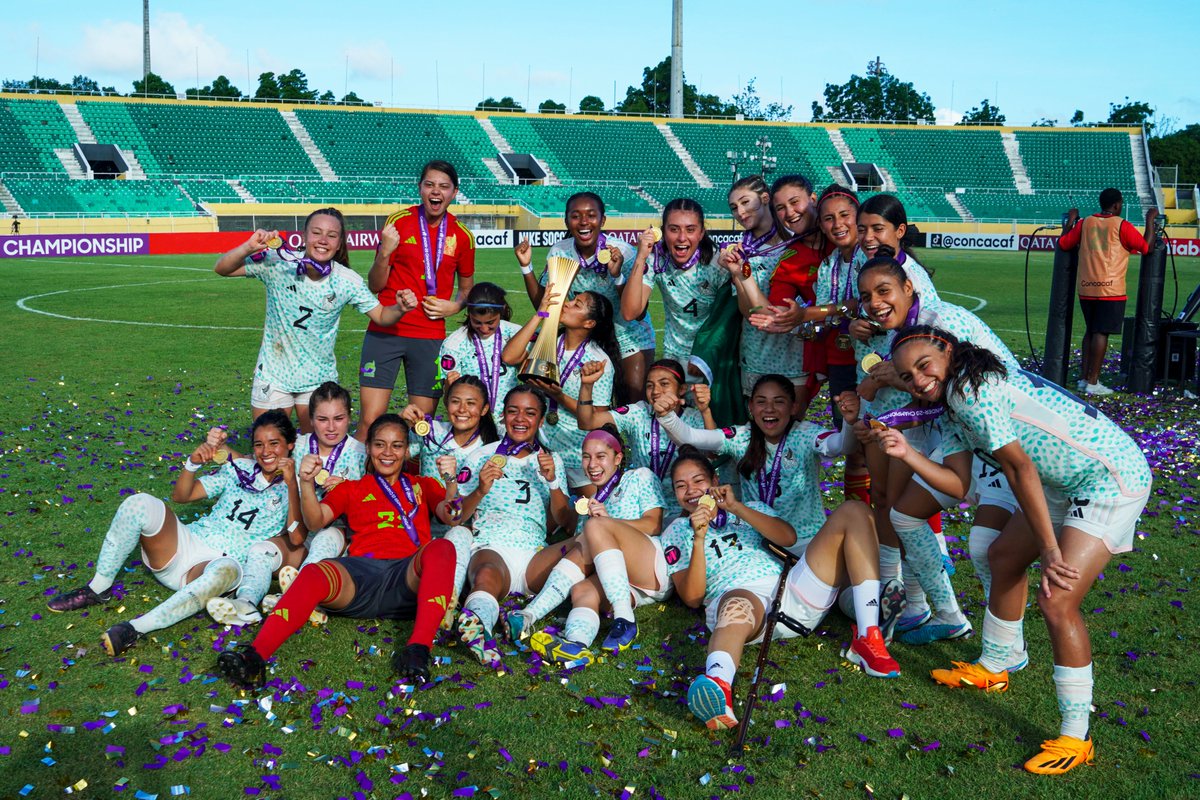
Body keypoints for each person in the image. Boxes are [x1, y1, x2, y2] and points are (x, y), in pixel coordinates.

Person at [883, 325, 1152, 775]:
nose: (918, 380)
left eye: (924, 365)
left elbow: (1019, 465)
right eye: (908, 377)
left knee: (1057, 599)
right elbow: (958, 483)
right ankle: (998, 661)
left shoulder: (970, 391)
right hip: (1065, 479)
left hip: (1108, 476)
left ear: (947, 350)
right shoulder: (950, 400)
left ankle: (1075, 733)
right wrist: (907, 454)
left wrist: (1049, 548)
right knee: (1003, 557)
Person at [852, 251, 1025, 649]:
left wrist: (890, 387)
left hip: (1001, 434)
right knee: (904, 514)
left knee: (986, 547)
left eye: (883, 291)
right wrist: (892, 417)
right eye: (866, 297)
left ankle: (1004, 647)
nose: (875, 303)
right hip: (961, 432)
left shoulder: (942, 323)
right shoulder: (908, 329)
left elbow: (970, 388)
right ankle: (943, 614)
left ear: (908, 288)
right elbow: (937, 396)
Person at [662, 447, 902, 732]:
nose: (690, 490)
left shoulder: (753, 507)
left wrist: (737, 508)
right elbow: (691, 598)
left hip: (794, 590)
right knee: (737, 602)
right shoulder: (676, 531)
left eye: (698, 480)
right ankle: (719, 684)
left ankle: (868, 637)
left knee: (855, 510)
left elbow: (787, 537)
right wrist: (699, 538)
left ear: (715, 480)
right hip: (742, 605)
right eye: (680, 485)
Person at [216, 413, 460, 687]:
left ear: (406, 450)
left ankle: (417, 650)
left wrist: (450, 481)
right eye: (380, 444)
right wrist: (306, 483)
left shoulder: (423, 485)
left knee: (442, 547)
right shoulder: (350, 489)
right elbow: (315, 520)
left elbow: (452, 516)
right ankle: (254, 658)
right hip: (360, 578)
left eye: (397, 445)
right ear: (368, 447)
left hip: (407, 576)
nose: (388, 453)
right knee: (313, 573)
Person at [47, 411, 301, 656]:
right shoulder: (240, 468)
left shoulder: (297, 486)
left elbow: (297, 534)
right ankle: (97, 588)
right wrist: (192, 464)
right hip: (184, 545)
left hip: (211, 567)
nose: (266, 451)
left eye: (274, 444)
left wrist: (291, 484)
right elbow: (182, 496)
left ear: (290, 445)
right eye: (259, 444)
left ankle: (136, 628)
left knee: (227, 569)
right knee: (140, 503)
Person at [214, 209, 411, 433]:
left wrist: (400, 308)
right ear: (304, 236)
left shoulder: (347, 281)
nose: (323, 240)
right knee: (270, 447)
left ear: (339, 244)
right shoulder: (278, 263)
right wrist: (248, 247)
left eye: (331, 235)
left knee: (315, 454)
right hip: (273, 376)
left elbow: (382, 316)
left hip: (318, 379)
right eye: (316, 233)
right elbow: (222, 268)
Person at [208, 382, 368, 626]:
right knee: (261, 550)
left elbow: (374, 499)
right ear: (311, 419)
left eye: (339, 418)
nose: (332, 427)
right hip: (298, 530)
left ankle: (297, 599)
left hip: (337, 534)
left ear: (349, 417)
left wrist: (350, 489)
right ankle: (247, 603)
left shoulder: (360, 453)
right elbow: (255, 462)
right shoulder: (300, 445)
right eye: (323, 419)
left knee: (324, 541)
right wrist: (220, 450)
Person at [506, 426, 667, 661]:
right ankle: (576, 643)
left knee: (594, 529)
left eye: (601, 456)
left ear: (618, 458)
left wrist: (608, 524)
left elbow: (654, 525)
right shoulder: (592, 500)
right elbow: (579, 544)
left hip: (651, 567)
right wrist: (553, 483)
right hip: (621, 582)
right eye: (586, 456)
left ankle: (623, 620)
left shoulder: (639, 476)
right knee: (581, 590)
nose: (592, 464)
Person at [653, 374, 859, 557]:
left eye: (779, 402)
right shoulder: (741, 436)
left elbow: (841, 446)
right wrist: (667, 416)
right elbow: (692, 437)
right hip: (756, 542)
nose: (769, 409)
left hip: (806, 543)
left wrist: (849, 422)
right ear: (751, 407)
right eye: (761, 402)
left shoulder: (805, 434)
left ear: (793, 407)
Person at [441, 385, 572, 665]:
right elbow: (455, 515)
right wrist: (480, 489)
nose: (520, 419)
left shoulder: (551, 460)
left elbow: (566, 521)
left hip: (535, 554)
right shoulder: (481, 457)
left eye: (530, 412)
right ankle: (479, 626)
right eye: (513, 411)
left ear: (539, 419)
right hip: (493, 547)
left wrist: (553, 482)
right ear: (503, 416)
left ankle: (527, 615)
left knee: (585, 541)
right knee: (487, 574)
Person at [360, 161, 476, 438]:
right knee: (370, 421)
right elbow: (375, 285)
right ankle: (359, 481)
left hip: (430, 336)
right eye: (429, 184)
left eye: (444, 186)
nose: (436, 191)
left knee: (420, 425)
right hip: (386, 330)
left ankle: (413, 481)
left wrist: (456, 305)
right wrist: (385, 253)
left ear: (454, 192)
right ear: (420, 188)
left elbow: (467, 289)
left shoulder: (463, 236)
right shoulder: (397, 222)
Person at [515, 192, 654, 403]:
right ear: (566, 221)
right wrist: (526, 267)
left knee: (633, 403)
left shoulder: (624, 251)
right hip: (586, 336)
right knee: (586, 403)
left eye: (591, 215)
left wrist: (617, 276)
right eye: (576, 215)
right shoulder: (560, 251)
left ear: (603, 220)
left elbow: (637, 312)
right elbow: (545, 307)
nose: (584, 222)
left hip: (628, 335)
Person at [502, 288, 619, 489]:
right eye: (571, 299)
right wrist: (540, 314)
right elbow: (509, 357)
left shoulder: (599, 361)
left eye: (577, 305)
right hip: (540, 446)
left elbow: (596, 418)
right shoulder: (547, 342)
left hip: (575, 451)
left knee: (584, 513)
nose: (567, 304)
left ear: (589, 323)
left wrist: (558, 396)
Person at [576, 357, 716, 518]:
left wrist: (706, 411)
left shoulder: (694, 417)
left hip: (686, 505)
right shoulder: (639, 412)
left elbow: (713, 453)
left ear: (682, 389)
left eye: (664, 384)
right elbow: (587, 422)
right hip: (642, 506)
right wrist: (587, 385)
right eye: (650, 386)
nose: (656, 391)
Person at [1059, 189, 1158, 396]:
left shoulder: (1085, 223)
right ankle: (1093, 382)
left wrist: (1070, 221)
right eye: (1120, 204)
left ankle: (1084, 379)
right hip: (1110, 289)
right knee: (1101, 332)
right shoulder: (1121, 224)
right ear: (1116, 205)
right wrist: (1150, 220)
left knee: (1091, 330)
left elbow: (1064, 243)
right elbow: (1146, 247)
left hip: (1086, 286)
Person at [717, 176, 808, 400]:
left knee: (796, 426)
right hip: (756, 355)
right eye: (734, 207)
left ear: (765, 198)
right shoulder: (739, 252)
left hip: (796, 354)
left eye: (745, 202)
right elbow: (748, 312)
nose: (740, 211)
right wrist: (736, 275)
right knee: (760, 426)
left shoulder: (799, 244)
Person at [620, 198, 730, 367]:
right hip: (673, 358)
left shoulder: (718, 264)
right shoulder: (656, 258)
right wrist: (640, 257)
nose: (682, 237)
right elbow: (630, 312)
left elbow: (728, 322)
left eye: (690, 230)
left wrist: (703, 357)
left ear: (701, 233)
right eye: (673, 229)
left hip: (711, 358)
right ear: (663, 231)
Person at [400, 374, 499, 538]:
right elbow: (390, 456)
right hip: (422, 529)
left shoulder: (492, 448)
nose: (462, 409)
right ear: (446, 403)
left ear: (484, 409)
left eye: (471, 403)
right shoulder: (431, 432)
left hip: (467, 533)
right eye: (455, 401)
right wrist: (400, 421)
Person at [437, 282, 521, 424]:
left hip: (511, 421)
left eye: (490, 322)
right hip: (472, 421)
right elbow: (449, 401)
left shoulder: (516, 334)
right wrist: (448, 386)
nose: (484, 328)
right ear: (469, 313)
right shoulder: (454, 344)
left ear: (502, 310)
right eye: (477, 322)